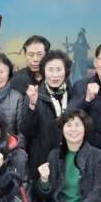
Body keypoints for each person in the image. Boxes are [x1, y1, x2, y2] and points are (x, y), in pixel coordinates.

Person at [20, 50, 72, 184]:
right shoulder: (35, 95)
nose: (55, 75)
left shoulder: (73, 94)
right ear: (43, 72)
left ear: (66, 71)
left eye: (59, 69)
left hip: (69, 159)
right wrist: (32, 104)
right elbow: (26, 130)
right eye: (50, 70)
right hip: (42, 161)